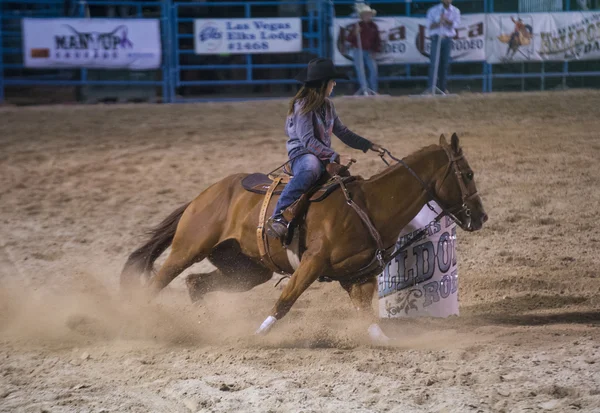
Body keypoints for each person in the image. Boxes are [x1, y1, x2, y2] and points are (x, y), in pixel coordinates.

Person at [265, 58, 384, 240]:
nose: (334, 84)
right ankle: (279, 216)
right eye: (332, 81)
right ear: (323, 84)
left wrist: (367, 145)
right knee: (311, 169)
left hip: (321, 154)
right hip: (302, 153)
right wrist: (335, 156)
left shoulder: (328, 105)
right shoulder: (303, 106)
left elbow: (342, 132)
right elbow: (307, 140)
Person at [425, 0, 460, 94]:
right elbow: (429, 26)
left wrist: (446, 21)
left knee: (444, 65)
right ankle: (431, 88)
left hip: (447, 39)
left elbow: (456, 25)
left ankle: (443, 89)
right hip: (436, 38)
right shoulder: (433, 10)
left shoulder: (456, 11)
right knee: (434, 63)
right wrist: (438, 21)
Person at [346, 4, 381, 94]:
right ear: (362, 16)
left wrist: (375, 51)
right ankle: (365, 90)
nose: (367, 16)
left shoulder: (374, 26)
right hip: (358, 50)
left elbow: (377, 40)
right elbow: (349, 39)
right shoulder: (357, 25)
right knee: (360, 70)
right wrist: (355, 32)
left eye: (369, 14)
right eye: (365, 14)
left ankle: (373, 90)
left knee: (373, 70)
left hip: (369, 51)